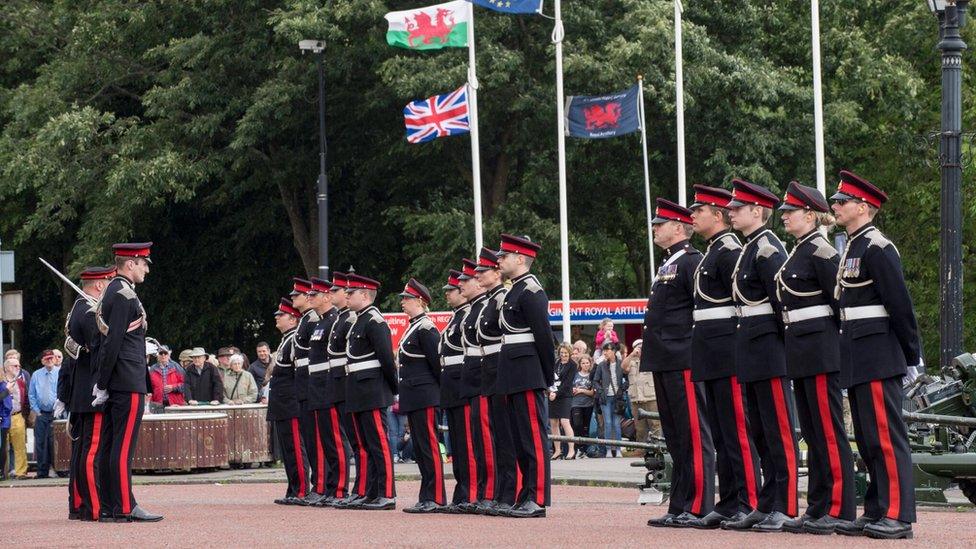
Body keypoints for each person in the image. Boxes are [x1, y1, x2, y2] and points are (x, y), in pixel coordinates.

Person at [830, 170, 918, 540]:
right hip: (858, 350)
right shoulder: (854, 245)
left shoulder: (878, 247)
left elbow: (900, 305)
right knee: (866, 437)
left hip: (880, 351)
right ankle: (877, 508)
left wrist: (912, 356)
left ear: (863, 207)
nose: (835, 206)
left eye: (842, 201)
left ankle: (898, 515)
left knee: (884, 435)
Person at [774, 182, 858, 534]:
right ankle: (819, 505)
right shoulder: (800, 251)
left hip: (822, 349)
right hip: (802, 350)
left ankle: (839, 508)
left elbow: (840, 304)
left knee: (827, 431)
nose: (785, 218)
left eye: (790, 212)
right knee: (811, 429)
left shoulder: (822, 252)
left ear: (810, 215)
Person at [723, 180, 799, 532]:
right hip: (751, 349)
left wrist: (785, 352)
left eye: (738, 208)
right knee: (761, 432)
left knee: (779, 432)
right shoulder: (750, 248)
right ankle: (768, 502)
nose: (731, 212)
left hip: (769, 349)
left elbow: (782, 303)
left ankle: (786, 504)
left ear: (757, 211)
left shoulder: (769, 248)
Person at [686, 184, 761, 530]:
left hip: (728, 349)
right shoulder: (714, 249)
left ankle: (748, 499)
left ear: (716, 216)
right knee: (720, 430)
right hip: (711, 349)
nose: (692, 216)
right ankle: (730, 498)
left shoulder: (729, 249)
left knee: (736, 431)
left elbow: (742, 301)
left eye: (699, 210)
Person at [641, 198, 715, 528]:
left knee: (693, 434)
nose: (655, 228)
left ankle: (698, 505)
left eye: (660, 223)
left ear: (677, 227)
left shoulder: (690, 261)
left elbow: (699, 311)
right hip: (664, 357)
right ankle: (679, 503)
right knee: (675, 436)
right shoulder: (669, 263)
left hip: (683, 356)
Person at [92, 242, 162, 522]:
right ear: (130, 264)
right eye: (143, 263)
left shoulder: (115, 291)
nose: (146, 269)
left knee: (111, 446)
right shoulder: (123, 293)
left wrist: (103, 381)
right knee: (122, 448)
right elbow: (113, 341)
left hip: (118, 378)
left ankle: (111, 505)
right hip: (127, 378)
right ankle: (123, 505)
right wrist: (103, 381)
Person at [496, 233, 555, 518]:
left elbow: (544, 337)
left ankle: (538, 496)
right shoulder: (514, 290)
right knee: (520, 438)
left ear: (520, 259)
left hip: (529, 372)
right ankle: (526, 493)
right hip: (513, 372)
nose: (499, 260)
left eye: (504, 256)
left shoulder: (531, 290)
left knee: (533, 437)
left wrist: (548, 376)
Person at [59, 266, 114, 520]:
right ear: (100, 285)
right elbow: (99, 351)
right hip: (90, 391)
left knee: (82, 451)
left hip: (80, 391)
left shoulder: (77, 309)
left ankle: (79, 504)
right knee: (91, 452)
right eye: (109, 281)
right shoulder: (91, 311)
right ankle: (93, 507)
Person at [341, 274, 398, 510]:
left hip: (373, 390)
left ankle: (386, 493)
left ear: (365, 295)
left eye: (351, 292)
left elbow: (386, 359)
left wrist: (392, 389)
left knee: (378, 443)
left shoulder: (375, 321)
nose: (346, 295)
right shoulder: (359, 321)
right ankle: (372, 491)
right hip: (359, 389)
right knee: (365, 444)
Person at [474, 248, 522, 515]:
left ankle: (509, 492)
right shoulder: (490, 300)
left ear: (496, 273)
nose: (478, 276)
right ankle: (502, 492)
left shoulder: (502, 297)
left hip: (501, 367)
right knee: (498, 436)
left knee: (505, 436)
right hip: (489, 369)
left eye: (483, 271)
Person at [396, 278, 447, 513]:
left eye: (406, 299)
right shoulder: (414, 326)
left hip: (426, 395)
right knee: (421, 446)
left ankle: (435, 496)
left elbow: (437, 365)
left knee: (428, 446)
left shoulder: (426, 328)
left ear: (419, 300)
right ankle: (426, 494)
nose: (402, 303)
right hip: (415, 395)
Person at [437, 269, 477, 513]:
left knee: (467, 444)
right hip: (451, 386)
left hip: (461, 383)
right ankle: (462, 492)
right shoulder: (457, 317)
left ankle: (470, 493)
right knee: (457, 446)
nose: (451, 294)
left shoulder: (467, 316)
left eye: (453, 290)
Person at [456, 256, 494, 514]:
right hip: (472, 379)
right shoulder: (473, 309)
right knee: (478, 442)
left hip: (484, 378)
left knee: (487, 440)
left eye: (466, 280)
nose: (461, 285)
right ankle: (482, 491)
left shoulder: (484, 306)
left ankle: (490, 492)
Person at [324, 272, 363, 508]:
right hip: (337, 383)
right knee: (351, 440)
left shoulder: (350, 319)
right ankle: (356, 489)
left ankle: (354, 488)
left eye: (337, 291)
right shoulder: (341, 318)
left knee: (355, 441)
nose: (335, 294)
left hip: (349, 383)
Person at [304, 276, 342, 505]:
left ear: (326, 296)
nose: (310, 298)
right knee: (325, 441)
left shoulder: (333, 321)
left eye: (314, 294)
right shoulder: (320, 322)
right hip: (317, 386)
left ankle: (337, 489)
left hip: (328, 385)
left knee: (334, 441)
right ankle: (329, 487)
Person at [268, 298, 310, 505]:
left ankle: (301, 489)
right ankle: (293, 488)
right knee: (287, 449)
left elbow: (297, 372)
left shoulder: (295, 339)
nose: (277, 317)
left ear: (293, 319)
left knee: (295, 447)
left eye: (281, 315)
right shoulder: (287, 338)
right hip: (282, 402)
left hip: (290, 401)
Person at [290, 277, 323, 500]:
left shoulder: (312, 320)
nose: (295, 298)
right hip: (303, 381)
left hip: (311, 381)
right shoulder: (306, 320)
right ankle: (317, 485)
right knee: (310, 438)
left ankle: (320, 484)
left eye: (297, 295)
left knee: (316, 439)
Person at [29, 349, 61, 479]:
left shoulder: (60, 372)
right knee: (41, 443)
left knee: (55, 443)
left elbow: (64, 391)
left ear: (55, 359)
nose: (49, 360)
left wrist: (60, 409)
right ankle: (42, 471)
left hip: (56, 413)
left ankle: (58, 470)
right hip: (41, 414)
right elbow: (31, 395)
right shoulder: (36, 375)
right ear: (42, 360)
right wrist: (37, 411)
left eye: (51, 358)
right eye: (47, 358)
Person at [622, 340, 659, 442]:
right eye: (638, 348)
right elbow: (623, 367)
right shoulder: (631, 361)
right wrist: (631, 355)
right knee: (640, 428)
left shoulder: (652, 359)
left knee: (656, 425)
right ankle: (641, 450)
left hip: (651, 398)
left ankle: (659, 448)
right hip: (636, 400)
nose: (640, 350)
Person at [593, 342, 624, 458]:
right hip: (605, 398)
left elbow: (627, 379)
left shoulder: (621, 364)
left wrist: (623, 388)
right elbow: (595, 380)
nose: (605, 352)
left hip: (618, 398)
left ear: (614, 351)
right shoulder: (601, 365)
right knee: (608, 423)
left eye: (608, 350)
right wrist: (600, 391)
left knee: (616, 424)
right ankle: (609, 450)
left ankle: (619, 449)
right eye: (604, 350)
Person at [549, 343, 576, 460]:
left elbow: (567, 383)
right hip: (553, 394)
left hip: (565, 396)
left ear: (569, 353)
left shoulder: (572, 365)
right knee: (553, 423)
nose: (563, 355)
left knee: (565, 421)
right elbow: (550, 378)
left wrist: (556, 393)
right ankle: (558, 450)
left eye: (565, 353)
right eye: (561, 353)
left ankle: (571, 450)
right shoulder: (556, 363)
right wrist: (550, 391)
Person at [3, 357, 29, 479]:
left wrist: (26, 416)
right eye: (15, 366)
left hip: (17, 415)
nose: (18, 368)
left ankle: (21, 472)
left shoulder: (20, 382)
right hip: (3, 417)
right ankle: (4, 472)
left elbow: (26, 398)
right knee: (3, 446)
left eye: (19, 366)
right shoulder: (1, 382)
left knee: (20, 446)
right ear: (7, 367)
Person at [570, 354, 596, 458]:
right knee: (577, 425)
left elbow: (592, 393)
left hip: (588, 404)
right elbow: (569, 388)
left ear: (590, 364)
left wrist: (581, 390)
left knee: (586, 428)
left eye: (587, 363)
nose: (585, 365)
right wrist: (573, 390)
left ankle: (584, 449)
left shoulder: (592, 375)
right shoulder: (575, 375)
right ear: (580, 364)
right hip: (576, 403)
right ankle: (577, 448)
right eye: (583, 363)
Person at [149, 346, 187, 410]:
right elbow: (149, 388)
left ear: (169, 355)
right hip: (157, 405)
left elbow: (186, 385)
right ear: (157, 355)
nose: (163, 355)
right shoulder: (152, 369)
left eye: (165, 353)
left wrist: (173, 387)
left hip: (175, 404)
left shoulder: (177, 367)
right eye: (161, 353)